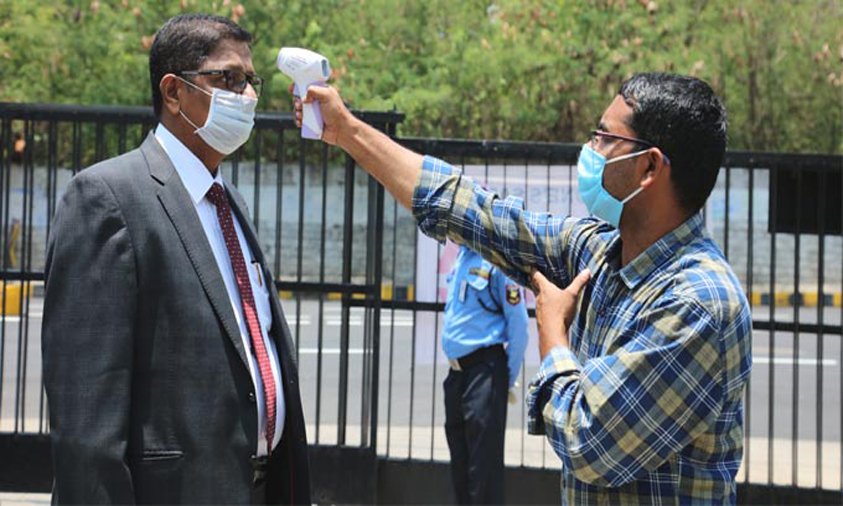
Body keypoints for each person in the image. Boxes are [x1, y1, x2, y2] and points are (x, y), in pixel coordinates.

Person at [294, 72, 752, 504]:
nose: (590, 150)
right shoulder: (599, 252)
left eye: (604, 138)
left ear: (649, 167)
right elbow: (473, 211)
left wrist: (553, 338)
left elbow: (588, 442)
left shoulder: (697, 303)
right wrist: (347, 131)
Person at [42, 14, 310, 504]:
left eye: (252, 80)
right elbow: (86, 419)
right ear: (173, 92)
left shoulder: (228, 203)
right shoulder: (107, 198)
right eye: (228, 78)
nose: (248, 95)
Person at [441, 243, 528, 504]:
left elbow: (519, 326)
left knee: (484, 470)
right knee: (460, 465)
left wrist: (504, 381)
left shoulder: (498, 260)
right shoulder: (462, 257)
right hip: (456, 374)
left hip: (484, 372)